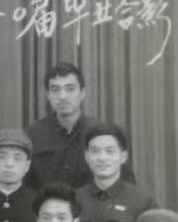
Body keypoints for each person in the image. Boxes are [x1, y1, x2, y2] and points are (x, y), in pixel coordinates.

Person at [25, 62, 136, 190]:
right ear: (48, 95)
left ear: (82, 93)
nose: (62, 96)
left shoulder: (103, 134)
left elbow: (126, 184)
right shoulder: (32, 134)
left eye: (70, 89)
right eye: (55, 90)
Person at [74, 122, 155, 222]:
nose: (102, 158)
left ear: (123, 156)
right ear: (86, 157)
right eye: (95, 151)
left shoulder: (142, 201)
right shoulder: (74, 200)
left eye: (110, 151)